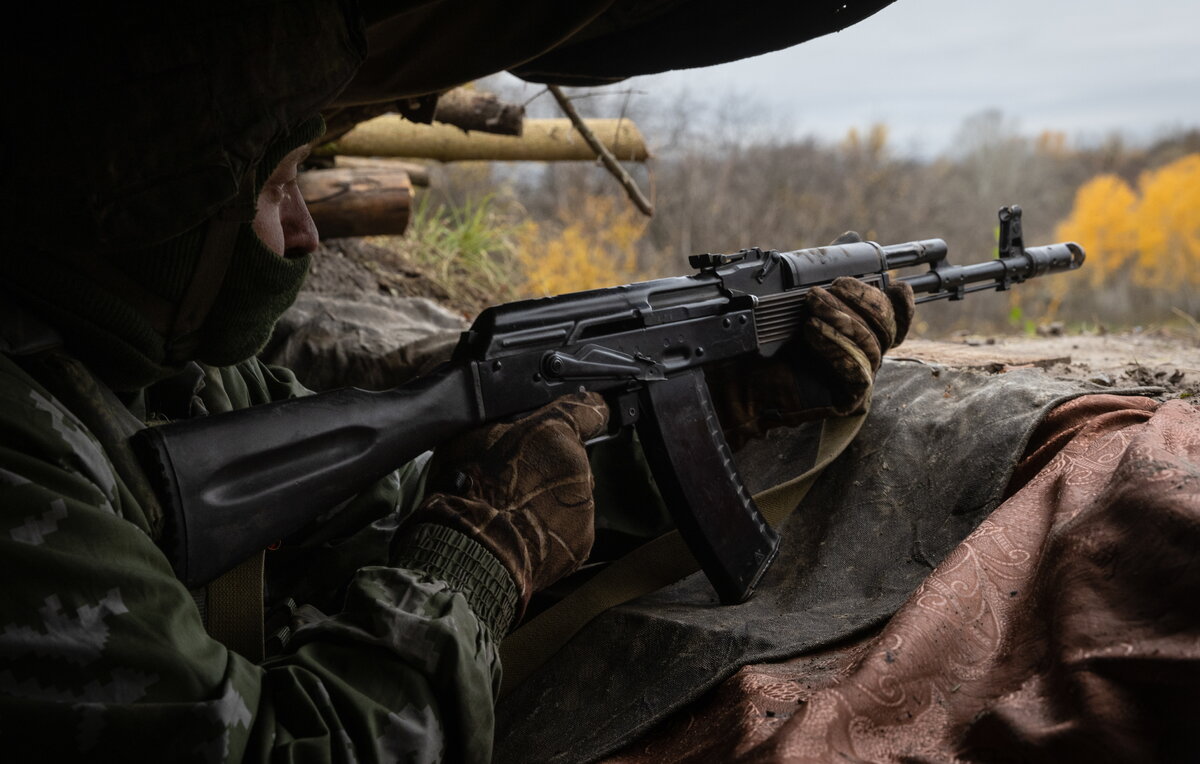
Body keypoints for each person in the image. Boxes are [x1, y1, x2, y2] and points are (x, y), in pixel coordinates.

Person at [0, 2, 911, 760]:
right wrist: (472, 570)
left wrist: (722, 406)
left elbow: (407, 506)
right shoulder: (22, 460)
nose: (309, 237)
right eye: (278, 193)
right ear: (163, 221)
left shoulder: (163, 383)